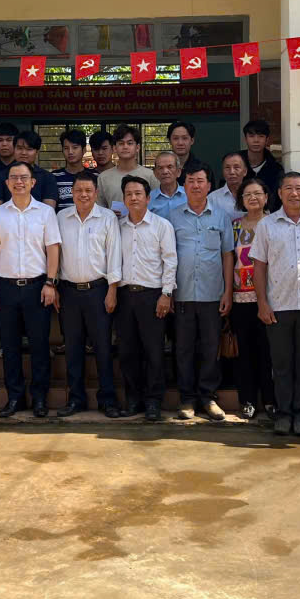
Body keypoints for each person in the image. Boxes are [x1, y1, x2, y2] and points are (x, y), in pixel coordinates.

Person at [250, 173, 300, 436]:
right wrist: (262, 302)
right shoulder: (267, 224)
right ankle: (283, 414)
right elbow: (259, 267)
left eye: (299, 188)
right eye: (288, 188)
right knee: (282, 363)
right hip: (278, 305)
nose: (294, 193)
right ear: (280, 193)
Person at [0, 161, 61, 418]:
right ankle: (15, 397)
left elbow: (53, 248)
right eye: (14, 178)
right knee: (10, 347)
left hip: (37, 287)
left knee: (39, 346)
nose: (19, 182)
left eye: (24, 178)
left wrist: (50, 282)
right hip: (5, 287)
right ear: (7, 183)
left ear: (32, 182)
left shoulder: (45, 213)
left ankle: (39, 398)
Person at [168, 161, 235, 420]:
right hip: (182, 294)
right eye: (191, 181)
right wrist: (168, 292)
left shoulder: (221, 217)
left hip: (212, 294)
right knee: (183, 349)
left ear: (209, 186)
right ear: (183, 185)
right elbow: (167, 256)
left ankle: (207, 397)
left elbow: (227, 255)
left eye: (200, 181)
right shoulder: (172, 217)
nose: (195, 185)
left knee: (210, 348)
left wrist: (227, 292)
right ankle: (187, 398)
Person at [56, 171, 122, 418]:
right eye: (78, 191)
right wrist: (54, 286)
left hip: (98, 291)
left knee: (103, 348)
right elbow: (55, 254)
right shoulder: (61, 217)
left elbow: (114, 255)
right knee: (73, 349)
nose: (83, 195)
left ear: (96, 193)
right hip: (69, 292)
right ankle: (76, 399)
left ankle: (108, 400)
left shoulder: (107, 218)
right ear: (72, 193)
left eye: (88, 191)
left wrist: (112, 290)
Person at [115, 175, 177, 422]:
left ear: (148, 198)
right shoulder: (117, 227)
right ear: (123, 199)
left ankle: (153, 401)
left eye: (138, 193)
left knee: (154, 351)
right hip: (124, 296)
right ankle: (133, 399)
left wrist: (166, 294)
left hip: (153, 296)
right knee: (128, 351)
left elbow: (170, 261)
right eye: (129, 194)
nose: (133, 198)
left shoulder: (162, 226)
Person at [229, 176, 275, 420]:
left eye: (257, 193)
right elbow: (228, 260)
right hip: (240, 298)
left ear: (266, 197)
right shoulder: (234, 226)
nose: (253, 198)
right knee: (244, 352)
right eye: (247, 194)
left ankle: (270, 399)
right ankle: (247, 400)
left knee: (267, 351)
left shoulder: (275, 223)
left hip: (270, 298)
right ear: (241, 200)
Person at [0, 131, 59, 210]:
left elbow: (48, 210)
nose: (23, 153)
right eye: (19, 148)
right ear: (14, 149)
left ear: (37, 152)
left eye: (29, 149)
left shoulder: (47, 177)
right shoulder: (0, 176)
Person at [97, 125, 154, 216]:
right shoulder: (103, 177)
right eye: (121, 143)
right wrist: (109, 214)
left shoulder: (151, 176)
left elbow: (156, 206)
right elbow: (99, 208)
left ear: (137, 147)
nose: (125, 147)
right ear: (114, 148)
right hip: (112, 224)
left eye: (130, 143)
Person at [52, 129, 94, 212]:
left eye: (75, 147)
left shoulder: (95, 176)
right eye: (66, 148)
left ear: (84, 150)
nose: (70, 152)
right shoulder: (53, 177)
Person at [243, 119, 284, 197]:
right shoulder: (235, 165)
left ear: (267, 140)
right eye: (251, 136)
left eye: (261, 136)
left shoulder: (276, 169)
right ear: (245, 139)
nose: (256, 140)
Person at [208, 150, 252, 219]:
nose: (232, 172)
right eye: (227, 168)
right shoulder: (213, 198)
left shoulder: (254, 195)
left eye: (236, 167)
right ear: (223, 171)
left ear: (245, 171)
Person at [168, 121, 210, 186]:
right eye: (175, 138)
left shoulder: (203, 168)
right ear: (170, 141)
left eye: (185, 138)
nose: (180, 143)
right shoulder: (163, 169)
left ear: (192, 141)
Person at [148, 151, 186, 217]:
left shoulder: (189, 195)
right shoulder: (148, 199)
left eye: (170, 167)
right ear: (155, 173)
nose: (165, 172)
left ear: (178, 171)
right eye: (160, 168)